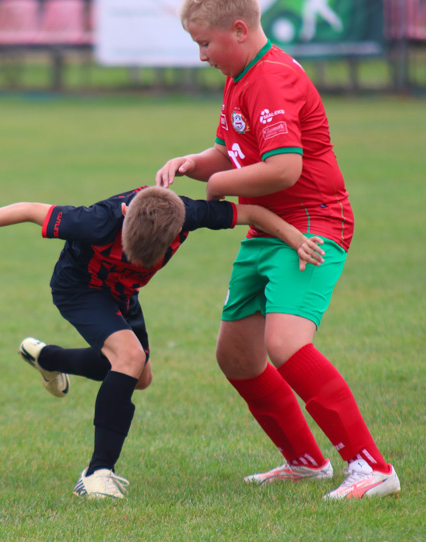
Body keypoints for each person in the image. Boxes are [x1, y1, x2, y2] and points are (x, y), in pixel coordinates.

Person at [0, 185, 324, 499]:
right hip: (80, 288)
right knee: (128, 357)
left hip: (123, 295)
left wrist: (294, 237)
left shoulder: (187, 213)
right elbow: (28, 210)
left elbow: (249, 211)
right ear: (126, 216)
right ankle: (96, 473)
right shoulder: (96, 221)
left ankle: (49, 357)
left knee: (140, 376)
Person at [156, 0, 399, 499]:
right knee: (237, 356)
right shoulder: (240, 75)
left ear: (239, 30)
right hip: (265, 227)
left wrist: (219, 183)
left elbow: (285, 168)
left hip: (311, 223)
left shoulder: (271, 78)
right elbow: (233, 149)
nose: (202, 56)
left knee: (286, 342)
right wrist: (194, 162)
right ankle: (306, 462)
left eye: (205, 43)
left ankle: (373, 467)